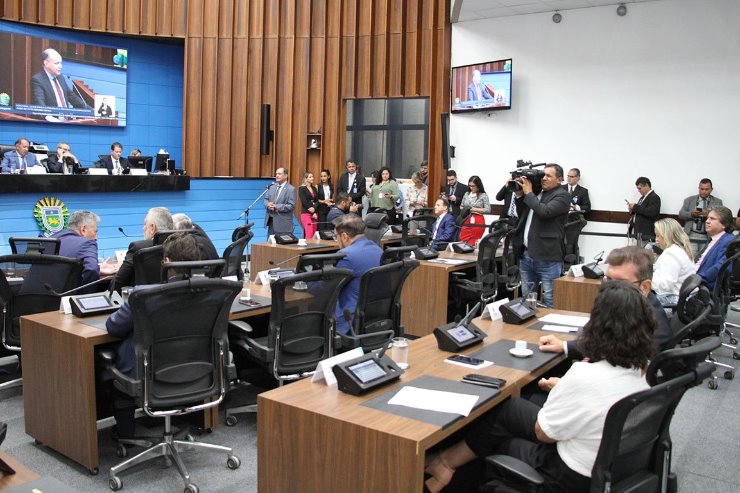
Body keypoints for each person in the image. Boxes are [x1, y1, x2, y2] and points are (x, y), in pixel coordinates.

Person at [425, 281, 653, 493]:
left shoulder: (585, 375)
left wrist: (564, 392)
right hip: (611, 466)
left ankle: (445, 465)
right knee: (510, 410)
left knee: (502, 434)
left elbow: (544, 433)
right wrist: (565, 390)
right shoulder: (643, 370)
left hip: (569, 475)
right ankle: (444, 462)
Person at [106, 232, 201, 438]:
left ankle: (125, 432)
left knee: (110, 359)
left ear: (166, 261)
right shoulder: (209, 292)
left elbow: (113, 328)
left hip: (147, 373)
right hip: (194, 369)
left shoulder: (144, 295)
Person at [540, 246, 673, 356]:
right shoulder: (621, 306)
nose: (609, 287)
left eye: (620, 282)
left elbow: (620, 356)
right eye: (608, 279)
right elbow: (600, 341)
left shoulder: (655, 328)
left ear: (644, 287)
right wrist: (564, 346)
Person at [515, 164, 570, 308]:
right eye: (543, 175)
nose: (544, 178)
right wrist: (520, 195)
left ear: (559, 179)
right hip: (527, 255)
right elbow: (522, 214)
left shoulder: (562, 195)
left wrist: (528, 193)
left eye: (549, 176)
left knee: (551, 300)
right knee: (528, 301)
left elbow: (545, 212)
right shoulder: (537, 193)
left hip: (548, 256)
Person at [332, 214, 383, 335]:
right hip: (375, 317)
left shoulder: (346, 255)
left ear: (344, 236)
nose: (336, 240)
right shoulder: (378, 250)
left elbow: (328, 287)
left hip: (350, 320)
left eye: (336, 237)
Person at [112, 207, 174, 291]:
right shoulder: (181, 246)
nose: (143, 228)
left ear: (152, 228)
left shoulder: (138, 248)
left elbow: (118, 283)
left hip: (143, 301)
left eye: (145, 224)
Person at [52, 210, 118, 287]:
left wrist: (98, 268)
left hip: (40, 294)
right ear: (83, 229)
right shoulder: (87, 243)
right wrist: (85, 297)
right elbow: (92, 270)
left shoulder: (52, 238)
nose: (96, 238)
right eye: (95, 232)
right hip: (67, 297)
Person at [652, 218, 696, 307]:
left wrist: (645, 279)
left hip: (671, 301)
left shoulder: (671, 254)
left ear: (667, 235)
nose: (656, 239)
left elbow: (664, 286)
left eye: (658, 236)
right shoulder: (682, 249)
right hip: (683, 299)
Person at [678, 178, 724, 258]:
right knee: (690, 260)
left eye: (707, 189)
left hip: (708, 237)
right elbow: (681, 214)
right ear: (698, 188)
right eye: (702, 189)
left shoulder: (718, 202)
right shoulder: (689, 200)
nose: (704, 191)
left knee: (703, 260)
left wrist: (709, 215)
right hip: (690, 236)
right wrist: (691, 214)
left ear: (711, 189)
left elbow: (721, 218)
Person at [695, 206, 735, 290]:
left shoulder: (729, 240)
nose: (707, 221)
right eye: (707, 218)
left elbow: (722, 267)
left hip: (704, 286)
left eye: (712, 219)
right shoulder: (712, 239)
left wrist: (696, 279)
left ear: (724, 224)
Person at [263, 167, 296, 235]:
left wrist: (276, 206)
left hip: (283, 223)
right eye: (276, 174)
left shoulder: (291, 189)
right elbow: (266, 200)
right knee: (270, 244)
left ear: (286, 175)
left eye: (279, 174)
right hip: (271, 221)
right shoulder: (272, 187)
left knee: (281, 245)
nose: (277, 175)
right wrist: (268, 205)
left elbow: (291, 206)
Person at [627, 176, 661, 243]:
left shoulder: (654, 197)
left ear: (646, 185)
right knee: (634, 252)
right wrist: (632, 210)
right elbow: (641, 212)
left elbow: (651, 212)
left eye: (640, 188)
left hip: (646, 233)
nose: (638, 191)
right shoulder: (642, 198)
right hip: (637, 231)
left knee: (642, 253)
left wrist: (635, 207)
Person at [459, 175, 490, 245]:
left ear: (478, 185)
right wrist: (466, 209)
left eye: (473, 186)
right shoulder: (466, 194)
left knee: (473, 240)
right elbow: (461, 206)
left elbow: (488, 209)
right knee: (463, 239)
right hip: (466, 218)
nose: (471, 187)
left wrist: (473, 209)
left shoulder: (483, 195)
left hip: (478, 219)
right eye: (470, 185)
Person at [298, 172, 319, 239]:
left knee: (314, 232)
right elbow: (304, 202)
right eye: (310, 177)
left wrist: (314, 209)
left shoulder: (314, 188)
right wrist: (312, 211)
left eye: (312, 176)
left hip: (314, 213)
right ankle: (307, 247)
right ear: (306, 179)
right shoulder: (302, 188)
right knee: (309, 232)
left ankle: (313, 247)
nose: (312, 178)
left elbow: (317, 201)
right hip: (306, 213)